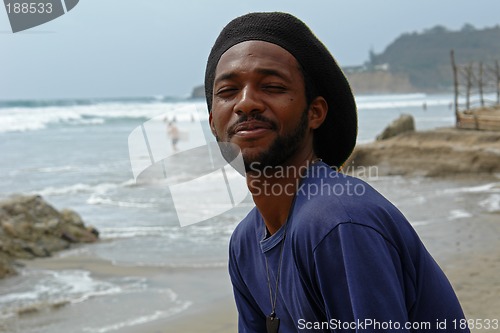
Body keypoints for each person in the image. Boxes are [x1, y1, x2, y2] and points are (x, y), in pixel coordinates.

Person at [205, 12, 469, 333]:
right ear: (212, 122)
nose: (245, 103)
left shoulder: (337, 222)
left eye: (272, 86)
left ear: (314, 113)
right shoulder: (244, 243)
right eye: (228, 91)